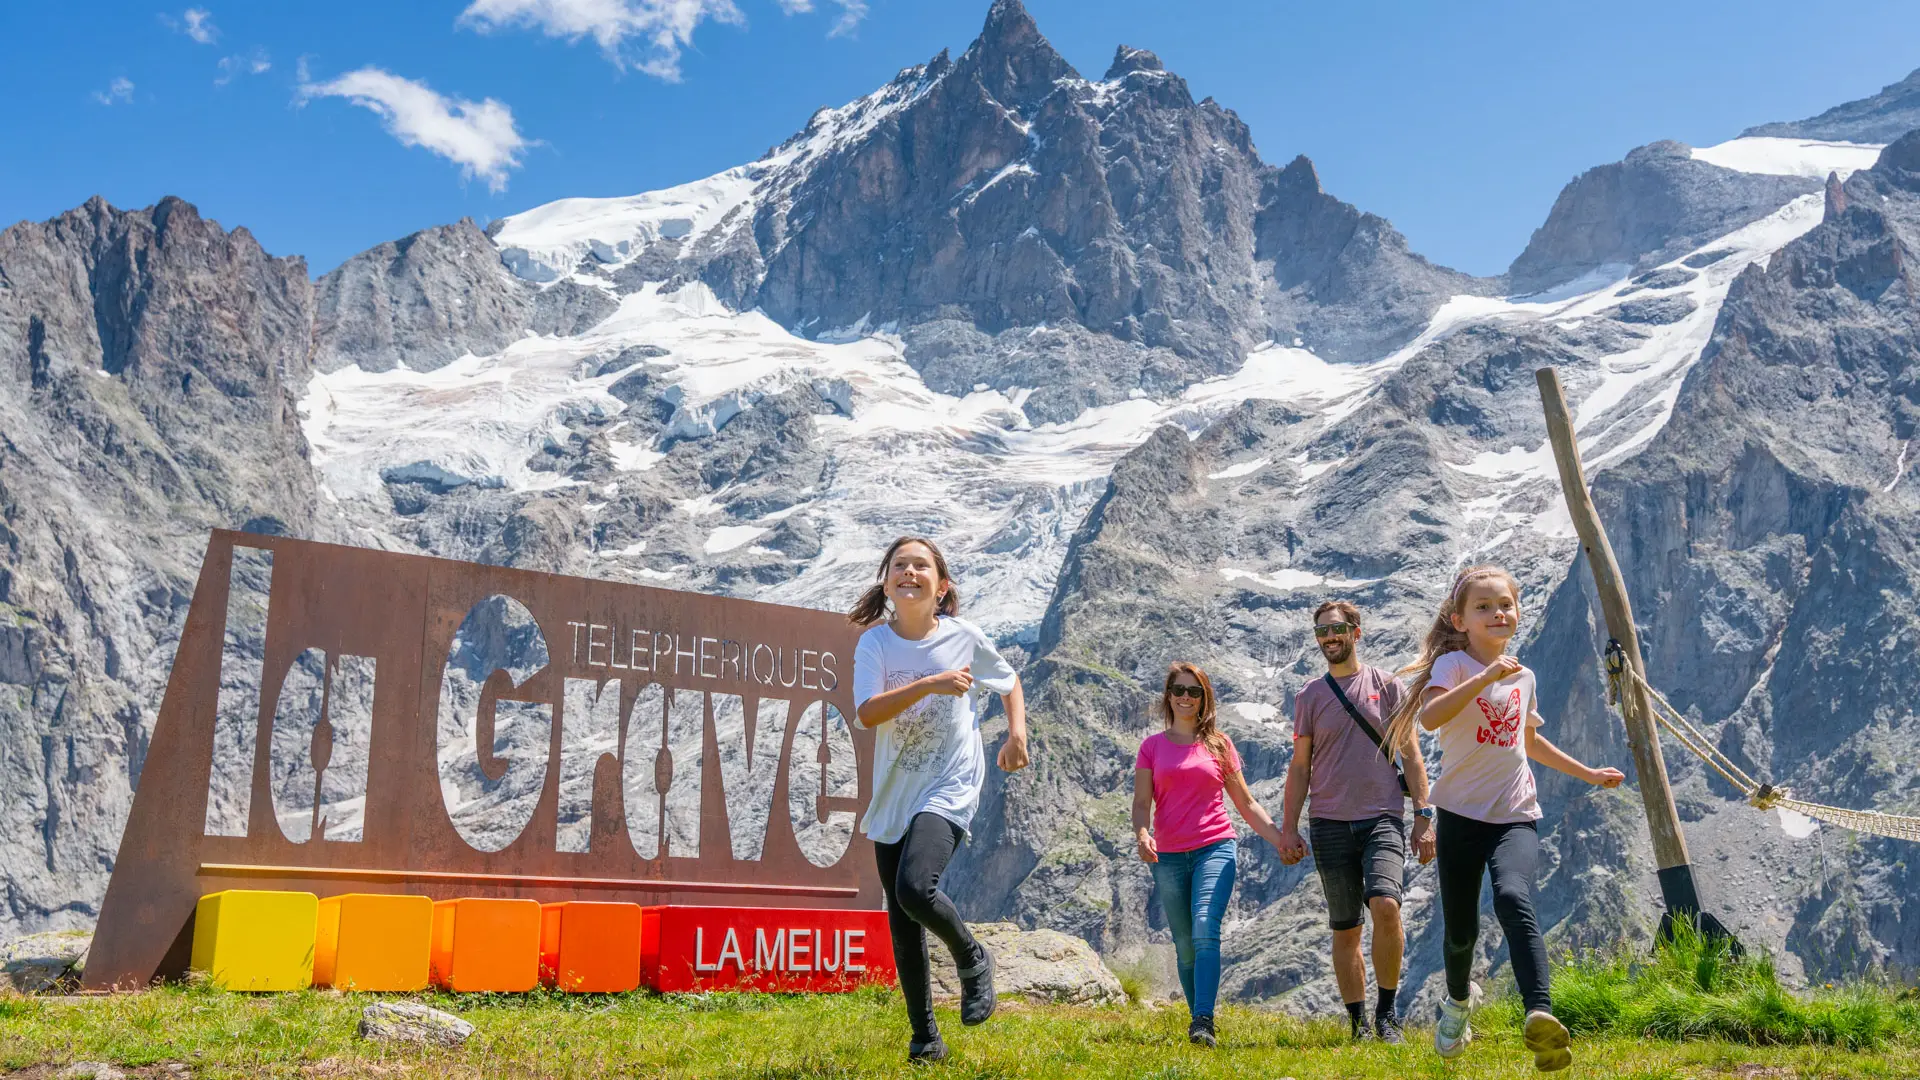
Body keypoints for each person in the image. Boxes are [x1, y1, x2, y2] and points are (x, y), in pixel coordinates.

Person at [1380, 566, 1625, 1073]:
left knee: (1514, 897)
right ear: (1460, 619)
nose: (1497, 614)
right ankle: (1457, 1006)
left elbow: (1528, 741)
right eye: (1484, 607)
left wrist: (1587, 773)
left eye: (1505, 605)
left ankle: (1540, 1012)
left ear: (1517, 613)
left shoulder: (1525, 676)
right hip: (1460, 815)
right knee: (1461, 932)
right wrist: (1488, 675)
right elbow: (1431, 718)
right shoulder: (1452, 666)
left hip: (1515, 813)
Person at [849, 535, 1029, 1064]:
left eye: (920, 565)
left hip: (950, 781)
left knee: (913, 888)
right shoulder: (875, 645)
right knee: (902, 922)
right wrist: (928, 684)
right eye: (899, 565)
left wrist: (1016, 733)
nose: (909, 572)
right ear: (887, 583)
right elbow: (867, 713)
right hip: (894, 792)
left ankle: (972, 958)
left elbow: (1009, 681)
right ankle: (925, 1039)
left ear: (941, 584)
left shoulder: (963, 637)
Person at [1274, 600, 1435, 1044]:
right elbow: (1300, 767)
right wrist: (1288, 828)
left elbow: (1412, 755)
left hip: (1382, 817)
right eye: (1322, 631)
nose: (1330, 637)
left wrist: (1423, 815)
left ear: (1356, 632)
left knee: (1386, 905)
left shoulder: (1387, 688)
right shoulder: (1309, 696)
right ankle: (1357, 1025)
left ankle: (1387, 1015)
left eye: (1338, 629)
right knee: (1345, 928)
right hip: (1328, 823)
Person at [1132, 661, 1287, 1048]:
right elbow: (1140, 802)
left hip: (1215, 847)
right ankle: (1196, 1020)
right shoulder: (1151, 747)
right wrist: (1141, 833)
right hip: (1168, 856)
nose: (1186, 698)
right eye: (1179, 690)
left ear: (1204, 698)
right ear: (1168, 696)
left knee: (1205, 926)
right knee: (1184, 946)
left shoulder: (1219, 744)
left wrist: (1280, 839)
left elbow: (1247, 803)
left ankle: (1204, 1021)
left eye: (1194, 691)